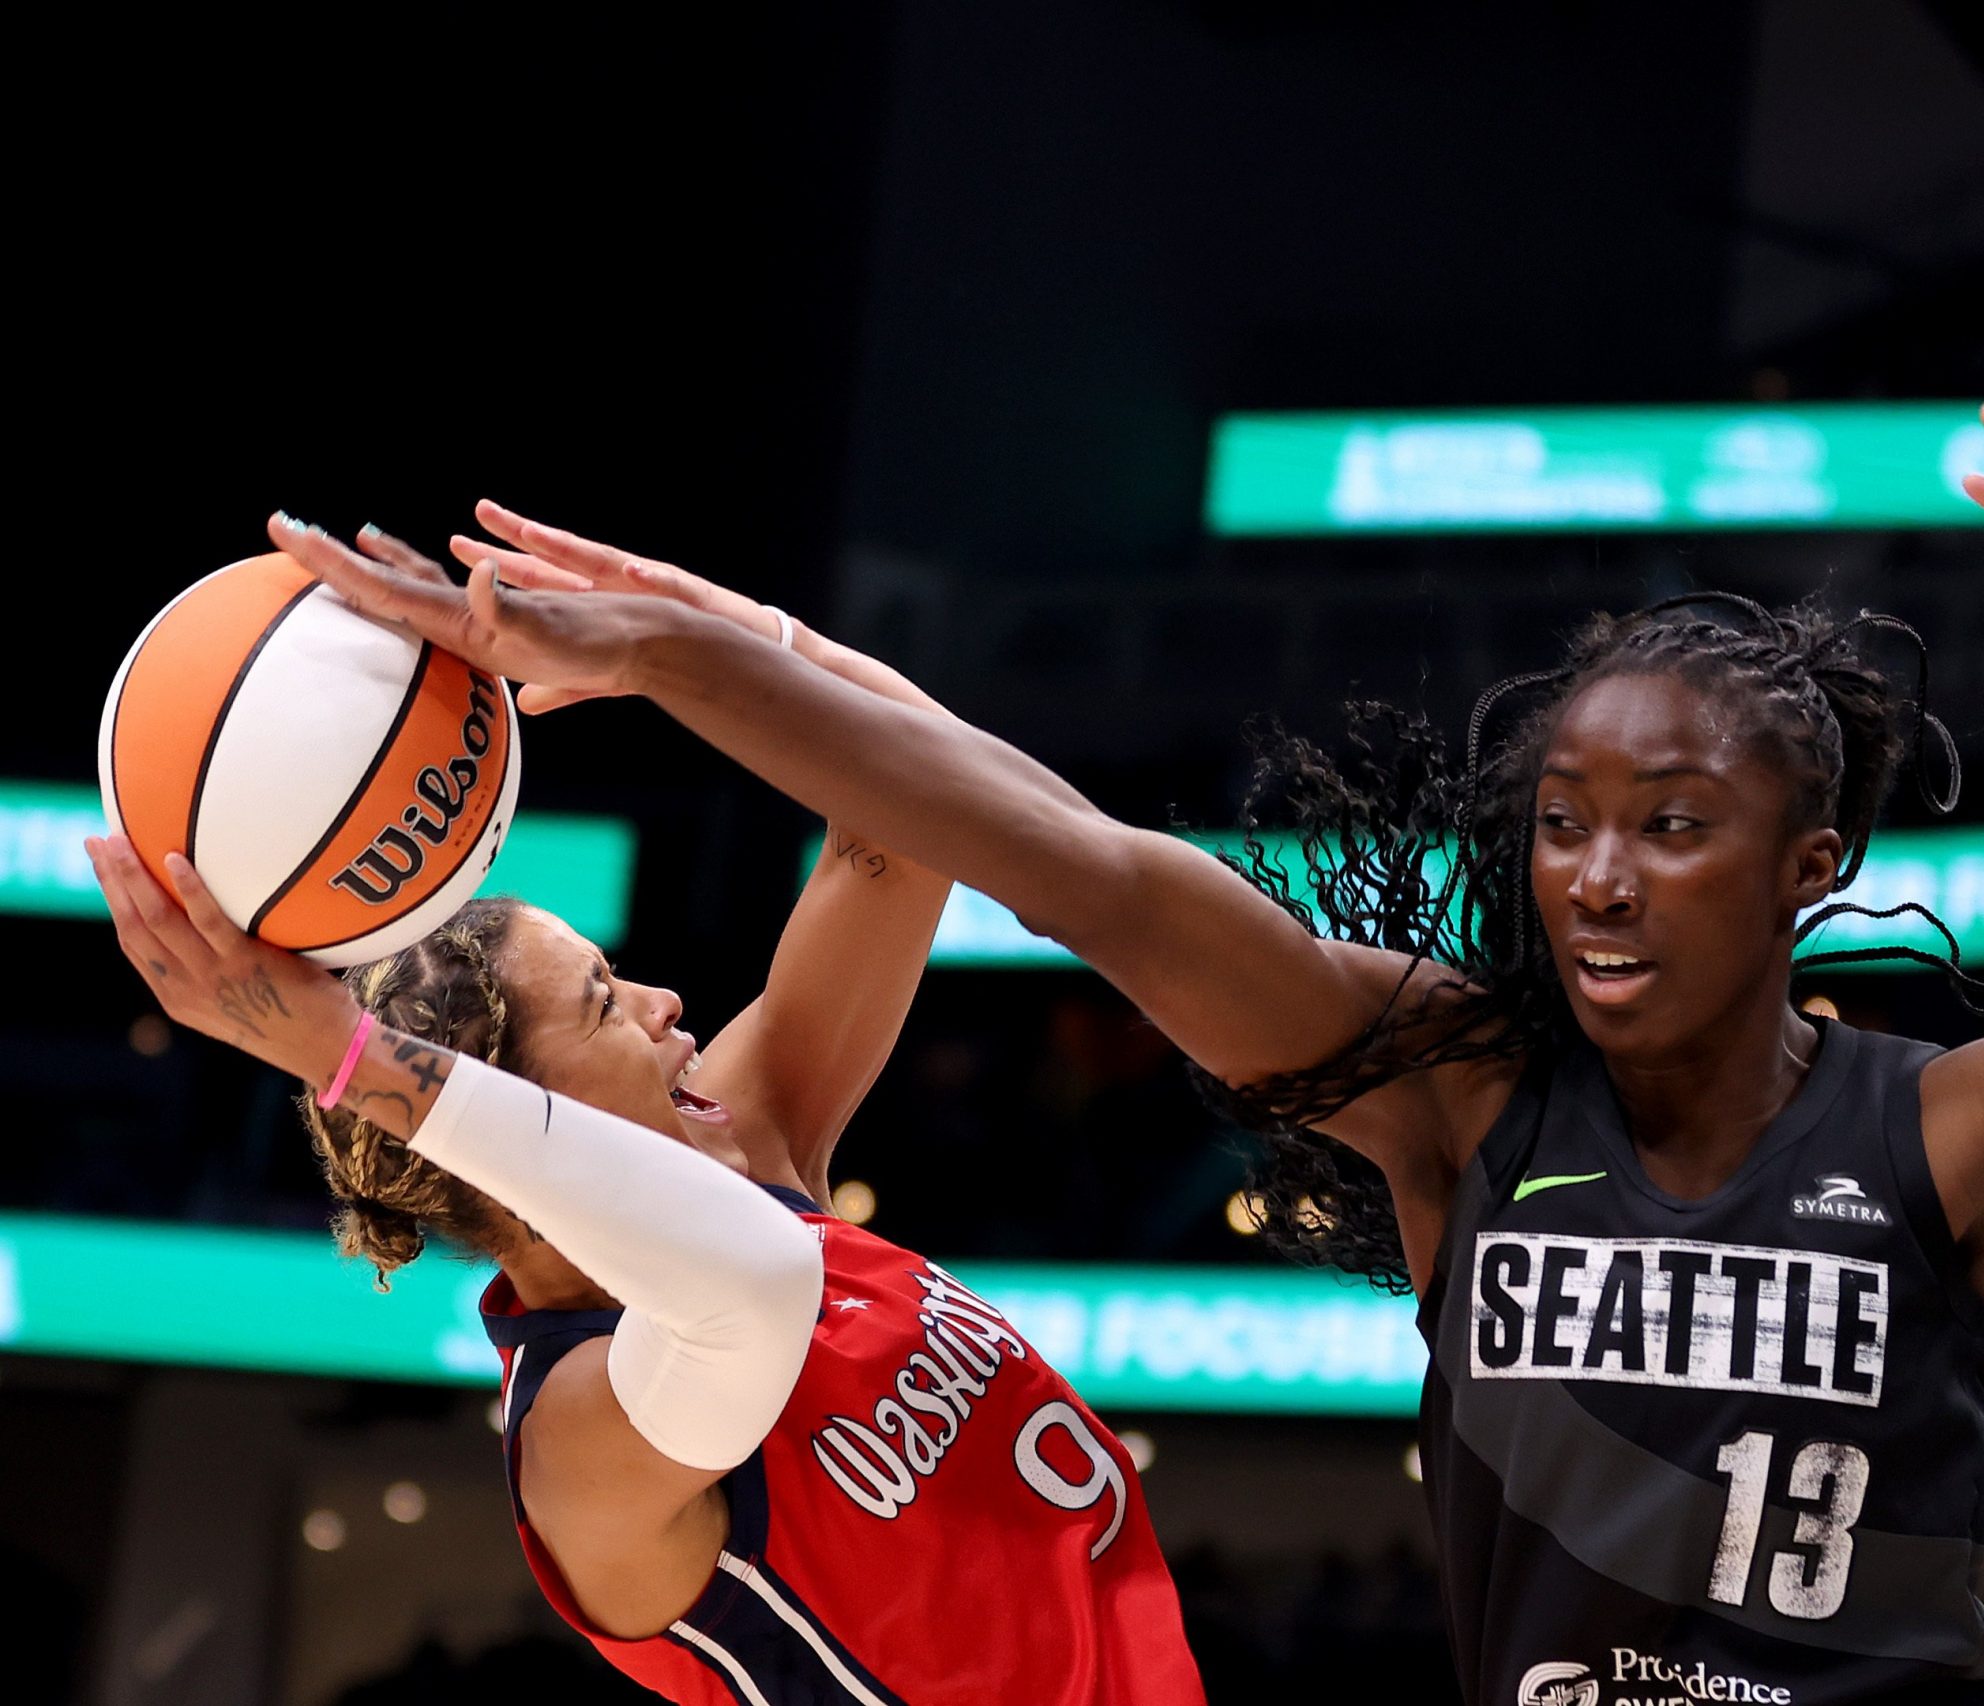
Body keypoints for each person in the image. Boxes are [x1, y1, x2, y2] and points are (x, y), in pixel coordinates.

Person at [281, 355, 1984, 1705]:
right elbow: (1068, 861)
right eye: (1558, 822)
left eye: (1672, 824)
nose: (1599, 875)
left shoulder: (1967, 1128)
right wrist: (701, 651)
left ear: (1806, 862)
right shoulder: (1454, 1089)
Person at [89, 505, 1207, 1706]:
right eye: (605, 1000)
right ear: (515, 1097)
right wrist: (347, 1055)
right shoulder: (576, 1438)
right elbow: (752, 1288)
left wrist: (713, 638)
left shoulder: (742, 1139)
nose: (669, 1001)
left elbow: (915, 813)